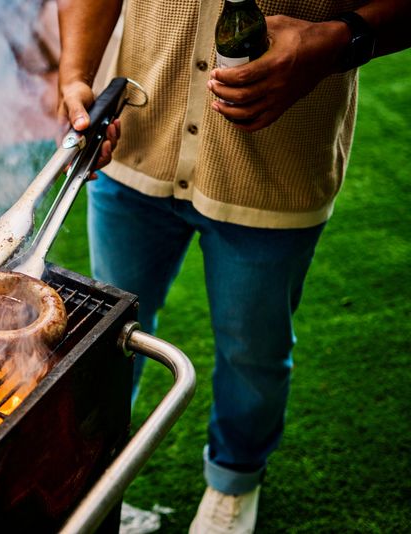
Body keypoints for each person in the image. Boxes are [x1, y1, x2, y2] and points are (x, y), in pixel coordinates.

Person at [56, 0, 410, 532]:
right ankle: (95, 474)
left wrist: (340, 40)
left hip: (281, 162)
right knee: (104, 345)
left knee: (253, 352)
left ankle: (233, 483)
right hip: (134, 142)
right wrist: (75, 74)